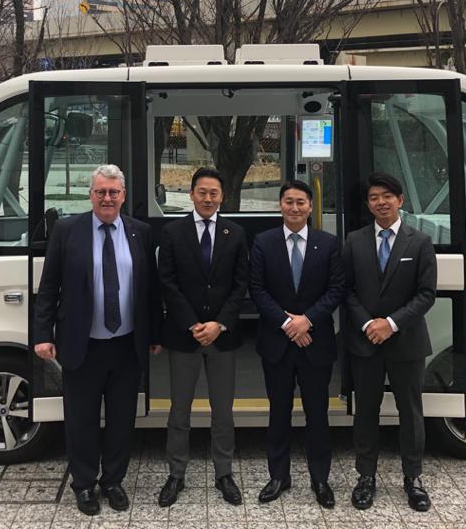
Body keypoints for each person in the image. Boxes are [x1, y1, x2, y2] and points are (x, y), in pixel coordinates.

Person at [33, 164, 162, 516]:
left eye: (114, 192)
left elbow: (149, 290)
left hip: (126, 345)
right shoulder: (67, 231)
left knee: (122, 420)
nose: (107, 198)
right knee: (81, 420)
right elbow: (49, 288)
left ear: (123, 195)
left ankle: (113, 481)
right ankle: (84, 484)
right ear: (90, 195)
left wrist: (154, 333)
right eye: (100, 192)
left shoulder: (141, 232)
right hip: (82, 345)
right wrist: (42, 335)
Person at [343, 172, 437, 513]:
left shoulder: (420, 242)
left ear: (400, 200)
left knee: (410, 412)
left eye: (386, 196)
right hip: (365, 340)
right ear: (368, 204)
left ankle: (413, 478)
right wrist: (370, 323)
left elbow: (427, 294)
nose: (380, 202)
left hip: (406, 342)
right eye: (373, 198)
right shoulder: (354, 241)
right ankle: (365, 477)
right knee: (365, 411)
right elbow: (347, 290)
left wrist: (391, 323)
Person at [156, 167, 249, 507]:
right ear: (191, 194)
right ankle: (175, 474)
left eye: (214, 193)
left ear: (222, 197)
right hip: (185, 336)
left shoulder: (235, 233)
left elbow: (241, 285)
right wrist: (194, 324)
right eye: (202, 192)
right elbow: (167, 282)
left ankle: (223, 473)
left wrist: (219, 324)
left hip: (222, 338)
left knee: (222, 410)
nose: (208, 198)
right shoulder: (172, 232)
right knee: (179, 409)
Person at [249, 179, 345, 508]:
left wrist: (308, 321)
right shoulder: (263, 243)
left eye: (300, 202)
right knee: (279, 412)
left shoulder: (328, 243)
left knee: (317, 413)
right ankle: (279, 476)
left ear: (310, 207)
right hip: (277, 343)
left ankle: (320, 478)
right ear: (280, 206)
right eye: (288, 201)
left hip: (315, 343)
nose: (294, 207)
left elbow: (336, 290)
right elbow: (257, 290)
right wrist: (290, 323)